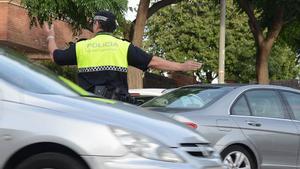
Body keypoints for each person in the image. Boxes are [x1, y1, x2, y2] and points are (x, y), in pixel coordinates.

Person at [44, 11, 202, 103]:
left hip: (89, 107)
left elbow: (55, 57)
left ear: (97, 25)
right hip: (116, 106)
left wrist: (50, 37)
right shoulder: (123, 46)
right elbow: (153, 62)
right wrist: (181, 66)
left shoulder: (81, 46)